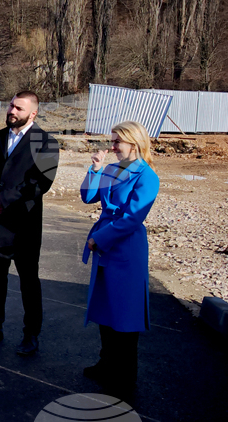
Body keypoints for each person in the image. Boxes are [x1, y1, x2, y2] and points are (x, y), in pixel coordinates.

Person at [0, 91, 58, 356]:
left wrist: (5, 198)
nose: (12, 111)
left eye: (18, 108)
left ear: (33, 113)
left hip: (24, 223)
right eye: (10, 105)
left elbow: (42, 182)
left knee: (29, 280)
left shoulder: (46, 142)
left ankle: (31, 334)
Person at [80, 120, 159, 400]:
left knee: (125, 312)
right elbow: (87, 197)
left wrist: (98, 239)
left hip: (125, 248)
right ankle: (106, 364)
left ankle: (125, 376)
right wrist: (94, 169)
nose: (112, 147)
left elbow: (132, 218)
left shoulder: (147, 175)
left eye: (116, 142)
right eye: (112, 141)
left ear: (133, 143)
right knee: (105, 308)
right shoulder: (111, 169)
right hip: (105, 245)